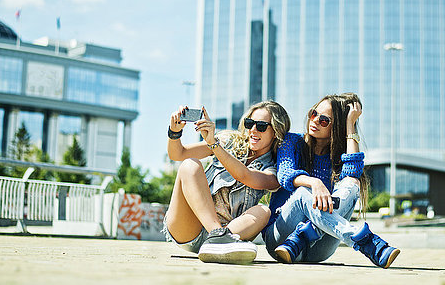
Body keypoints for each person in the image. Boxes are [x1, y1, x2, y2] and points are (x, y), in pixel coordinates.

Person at [262, 93, 400, 268]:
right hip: (280, 239)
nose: (315, 121)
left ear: (337, 127)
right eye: (314, 114)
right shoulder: (291, 141)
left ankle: (305, 235)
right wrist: (314, 182)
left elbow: (353, 173)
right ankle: (366, 242)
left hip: (318, 250)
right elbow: (285, 174)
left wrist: (350, 125)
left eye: (324, 120)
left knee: (353, 183)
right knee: (304, 192)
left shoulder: (336, 158)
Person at [163, 101, 290, 264]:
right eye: (250, 123)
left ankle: (218, 239)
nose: (253, 130)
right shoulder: (228, 141)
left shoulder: (273, 171)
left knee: (264, 211)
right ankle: (217, 236)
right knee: (189, 165)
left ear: (276, 132)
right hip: (189, 228)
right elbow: (178, 154)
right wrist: (174, 132)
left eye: (261, 126)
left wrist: (214, 145)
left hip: (231, 232)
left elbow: (245, 176)